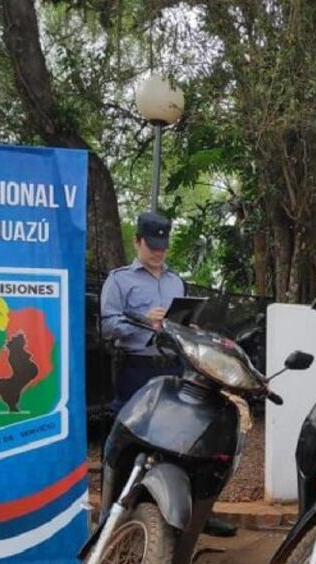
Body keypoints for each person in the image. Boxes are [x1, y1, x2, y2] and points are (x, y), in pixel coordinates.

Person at [101, 210, 237, 538]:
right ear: (137, 242)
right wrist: (145, 322)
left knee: (185, 440)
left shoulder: (176, 280)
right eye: (152, 245)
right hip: (137, 367)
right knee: (129, 440)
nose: (158, 251)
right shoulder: (119, 280)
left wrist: (188, 326)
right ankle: (111, 513)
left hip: (176, 369)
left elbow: (180, 325)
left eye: (163, 244)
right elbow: (107, 326)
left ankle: (197, 513)